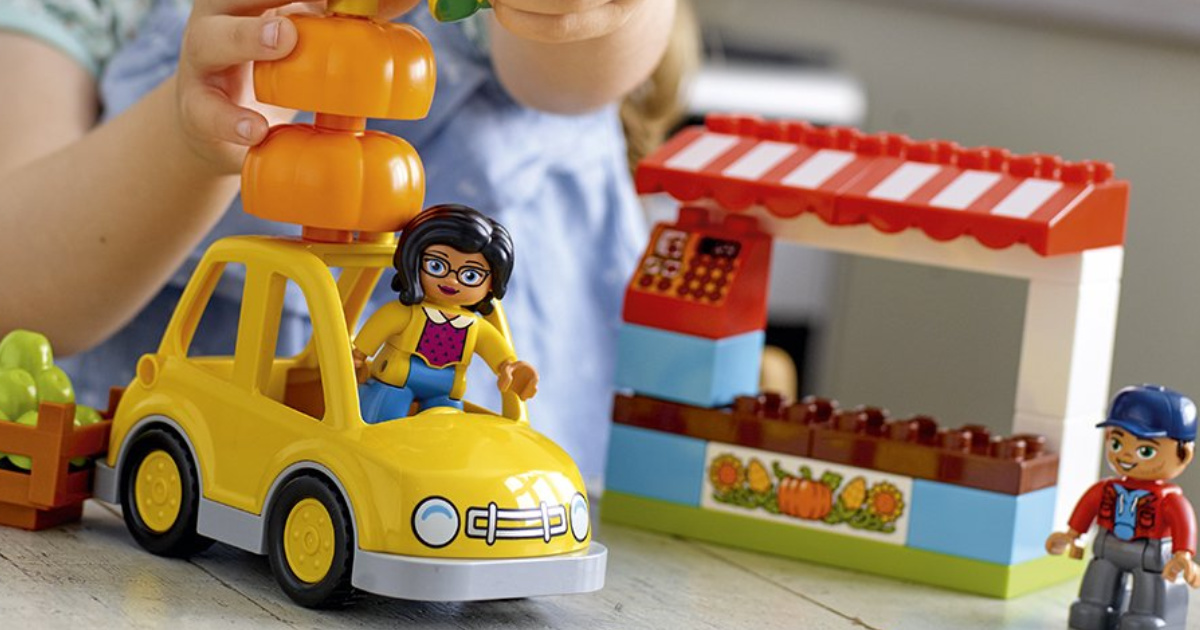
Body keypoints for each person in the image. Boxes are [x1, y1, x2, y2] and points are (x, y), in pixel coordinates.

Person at [0, 0, 680, 483]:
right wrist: (196, 140)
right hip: (180, 447)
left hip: (484, 464)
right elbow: (20, 286)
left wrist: (602, 13)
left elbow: (574, 66)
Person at [353, 204, 538, 422]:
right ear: (414, 262)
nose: (451, 280)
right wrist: (358, 356)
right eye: (436, 266)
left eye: (470, 275)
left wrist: (509, 367)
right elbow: (377, 329)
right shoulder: (405, 313)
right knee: (381, 418)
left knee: (446, 431)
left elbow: (496, 351)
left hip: (445, 390)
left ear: (491, 283)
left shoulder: (475, 328)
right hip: (395, 380)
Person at [1046, 384, 1200, 630]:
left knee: (1147, 597)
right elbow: (1088, 506)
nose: (1127, 456)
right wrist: (1071, 534)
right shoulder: (1107, 488)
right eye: (1117, 444)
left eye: (1145, 450)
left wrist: (1183, 554)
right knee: (1096, 589)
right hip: (1108, 546)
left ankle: (1144, 619)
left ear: (1184, 455)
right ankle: (1093, 610)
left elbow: (1184, 522)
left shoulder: (1169, 499)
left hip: (1150, 554)